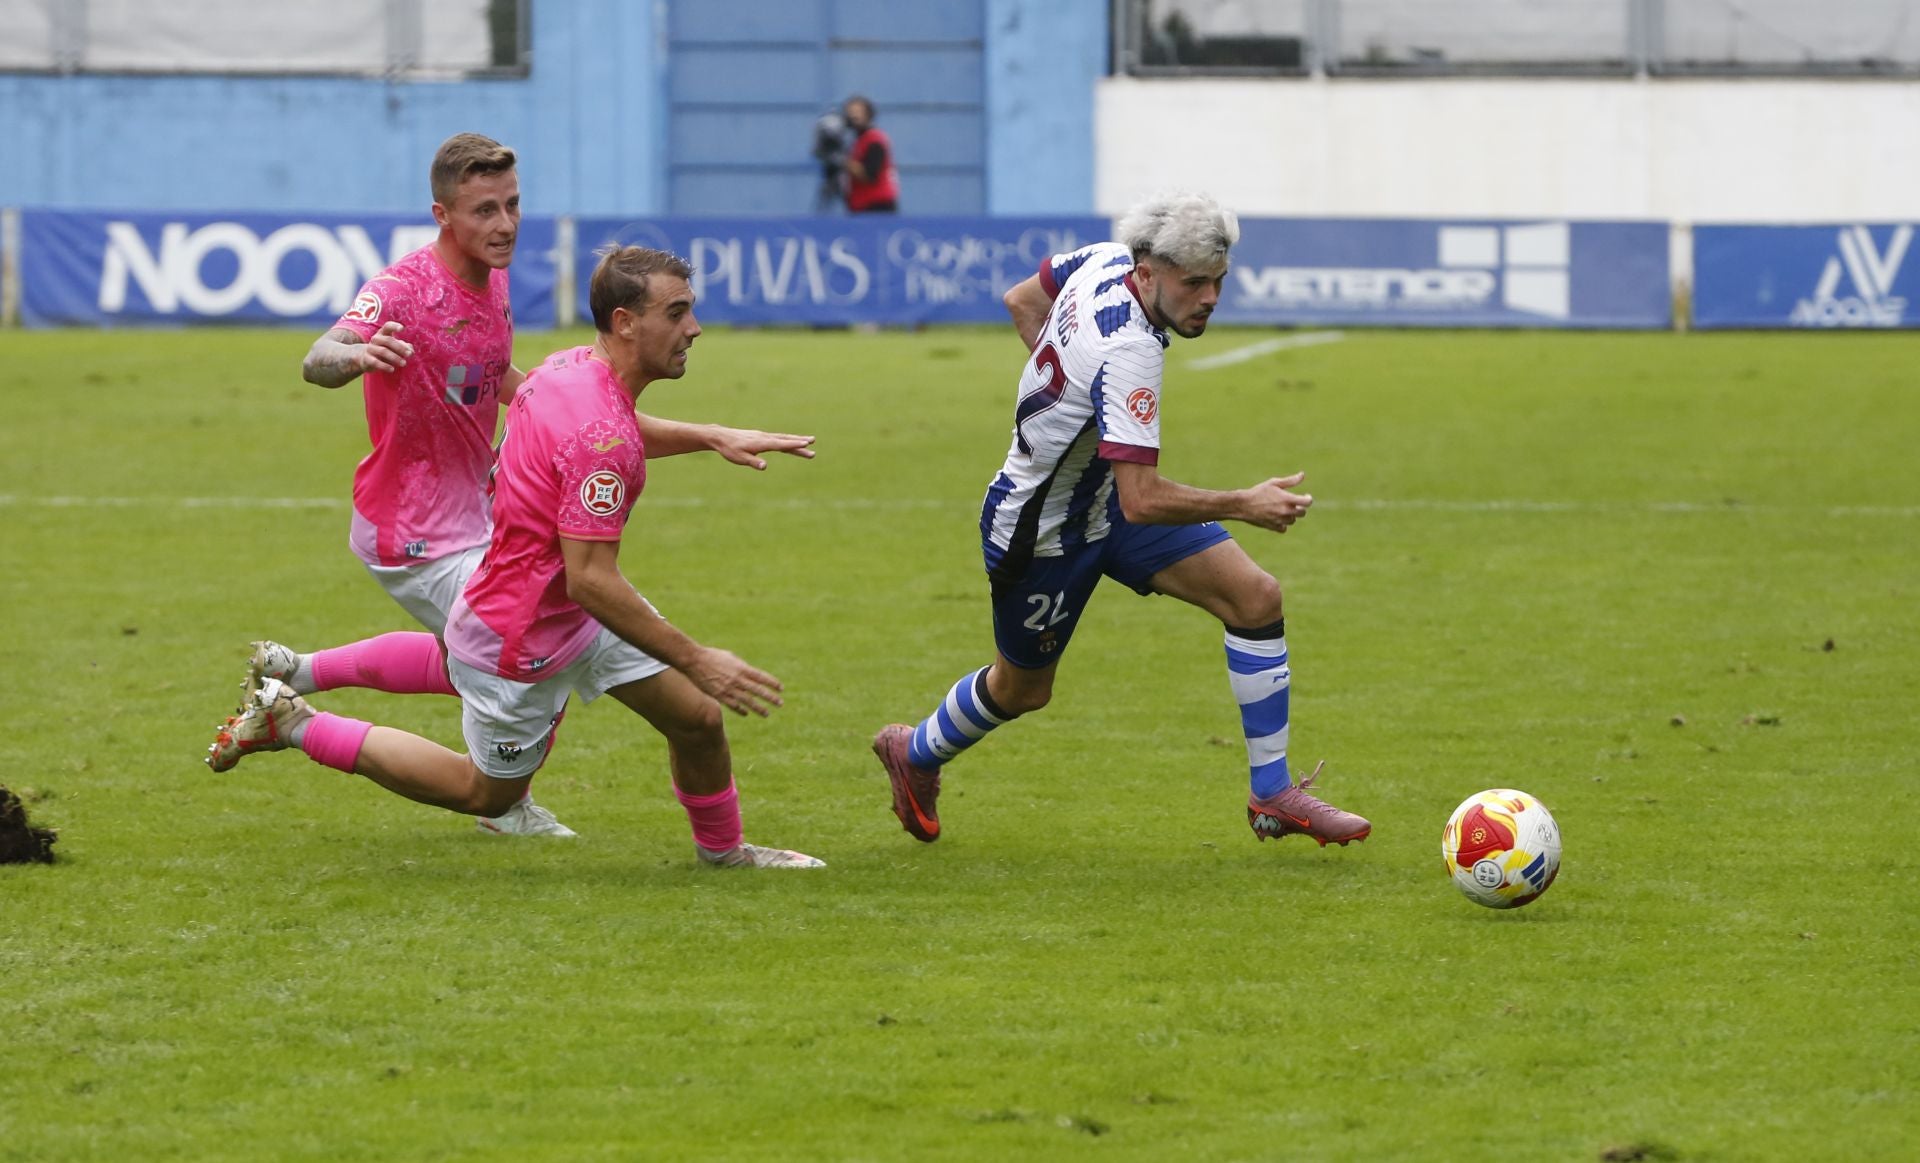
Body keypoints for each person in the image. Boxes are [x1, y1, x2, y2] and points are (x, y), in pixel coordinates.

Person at [207, 245, 825, 870]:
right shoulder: (599, 439)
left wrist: (712, 435)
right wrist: (700, 658)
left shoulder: (568, 371)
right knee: (488, 795)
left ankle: (726, 856)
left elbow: (609, 435)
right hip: (522, 632)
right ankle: (293, 724)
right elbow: (589, 579)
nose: (693, 328)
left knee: (696, 719)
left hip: (556, 608)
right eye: (677, 312)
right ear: (625, 322)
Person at [870, 192, 1371, 848]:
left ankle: (1272, 793)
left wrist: (1068, 407)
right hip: (1041, 531)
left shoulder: (1101, 257)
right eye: (1193, 283)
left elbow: (1022, 298)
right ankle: (916, 751)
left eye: (1218, 281)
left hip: (1104, 497)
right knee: (1021, 690)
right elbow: (1144, 499)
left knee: (1255, 597)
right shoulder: (1130, 350)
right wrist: (1244, 502)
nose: (1210, 297)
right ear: (1146, 273)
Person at [233, 132, 569, 834]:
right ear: (443, 214)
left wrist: (555, 406)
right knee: (531, 650)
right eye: (483, 210)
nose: (504, 224)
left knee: (483, 658)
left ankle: (298, 671)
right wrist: (352, 358)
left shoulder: (494, 273)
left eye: (512, 205)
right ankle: (299, 724)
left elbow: (487, 379)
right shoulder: (402, 291)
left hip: (473, 513)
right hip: (412, 530)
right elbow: (317, 356)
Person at [840, 96, 898, 214]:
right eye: (850, 113)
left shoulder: (874, 139)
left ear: (868, 115)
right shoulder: (856, 141)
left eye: (857, 113)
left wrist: (842, 161)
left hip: (877, 205)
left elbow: (870, 174)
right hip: (860, 205)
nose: (853, 117)